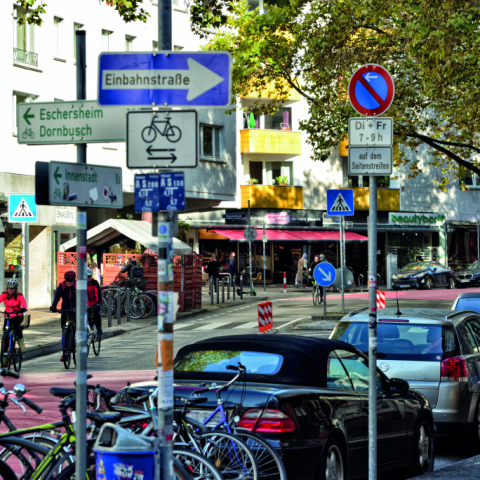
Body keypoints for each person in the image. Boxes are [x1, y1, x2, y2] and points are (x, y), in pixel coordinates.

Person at [50, 270, 76, 362]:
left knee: (78, 328)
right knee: (64, 330)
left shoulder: (78, 286)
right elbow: (57, 297)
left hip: (76, 309)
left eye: (71, 280)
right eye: (67, 280)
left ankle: (79, 347)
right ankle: (64, 353)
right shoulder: (62, 285)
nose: (68, 282)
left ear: (74, 280)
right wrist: (53, 306)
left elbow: (84, 297)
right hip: (65, 310)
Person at [0, 279, 27, 352]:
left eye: (12, 289)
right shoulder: (4, 294)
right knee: (5, 331)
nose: (10, 290)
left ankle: (21, 342)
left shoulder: (19, 295)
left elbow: (23, 303)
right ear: (7, 288)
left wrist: (23, 308)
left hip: (17, 315)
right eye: (9, 288)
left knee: (16, 327)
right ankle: (4, 352)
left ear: (15, 289)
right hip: (8, 315)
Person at [87, 268, 103, 337]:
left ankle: (98, 327)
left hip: (94, 302)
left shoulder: (95, 283)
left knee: (96, 313)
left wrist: (99, 302)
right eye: (86, 276)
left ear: (91, 276)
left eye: (89, 276)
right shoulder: (81, 283)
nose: (87, 278)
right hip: (85, 303)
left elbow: (98, 293)